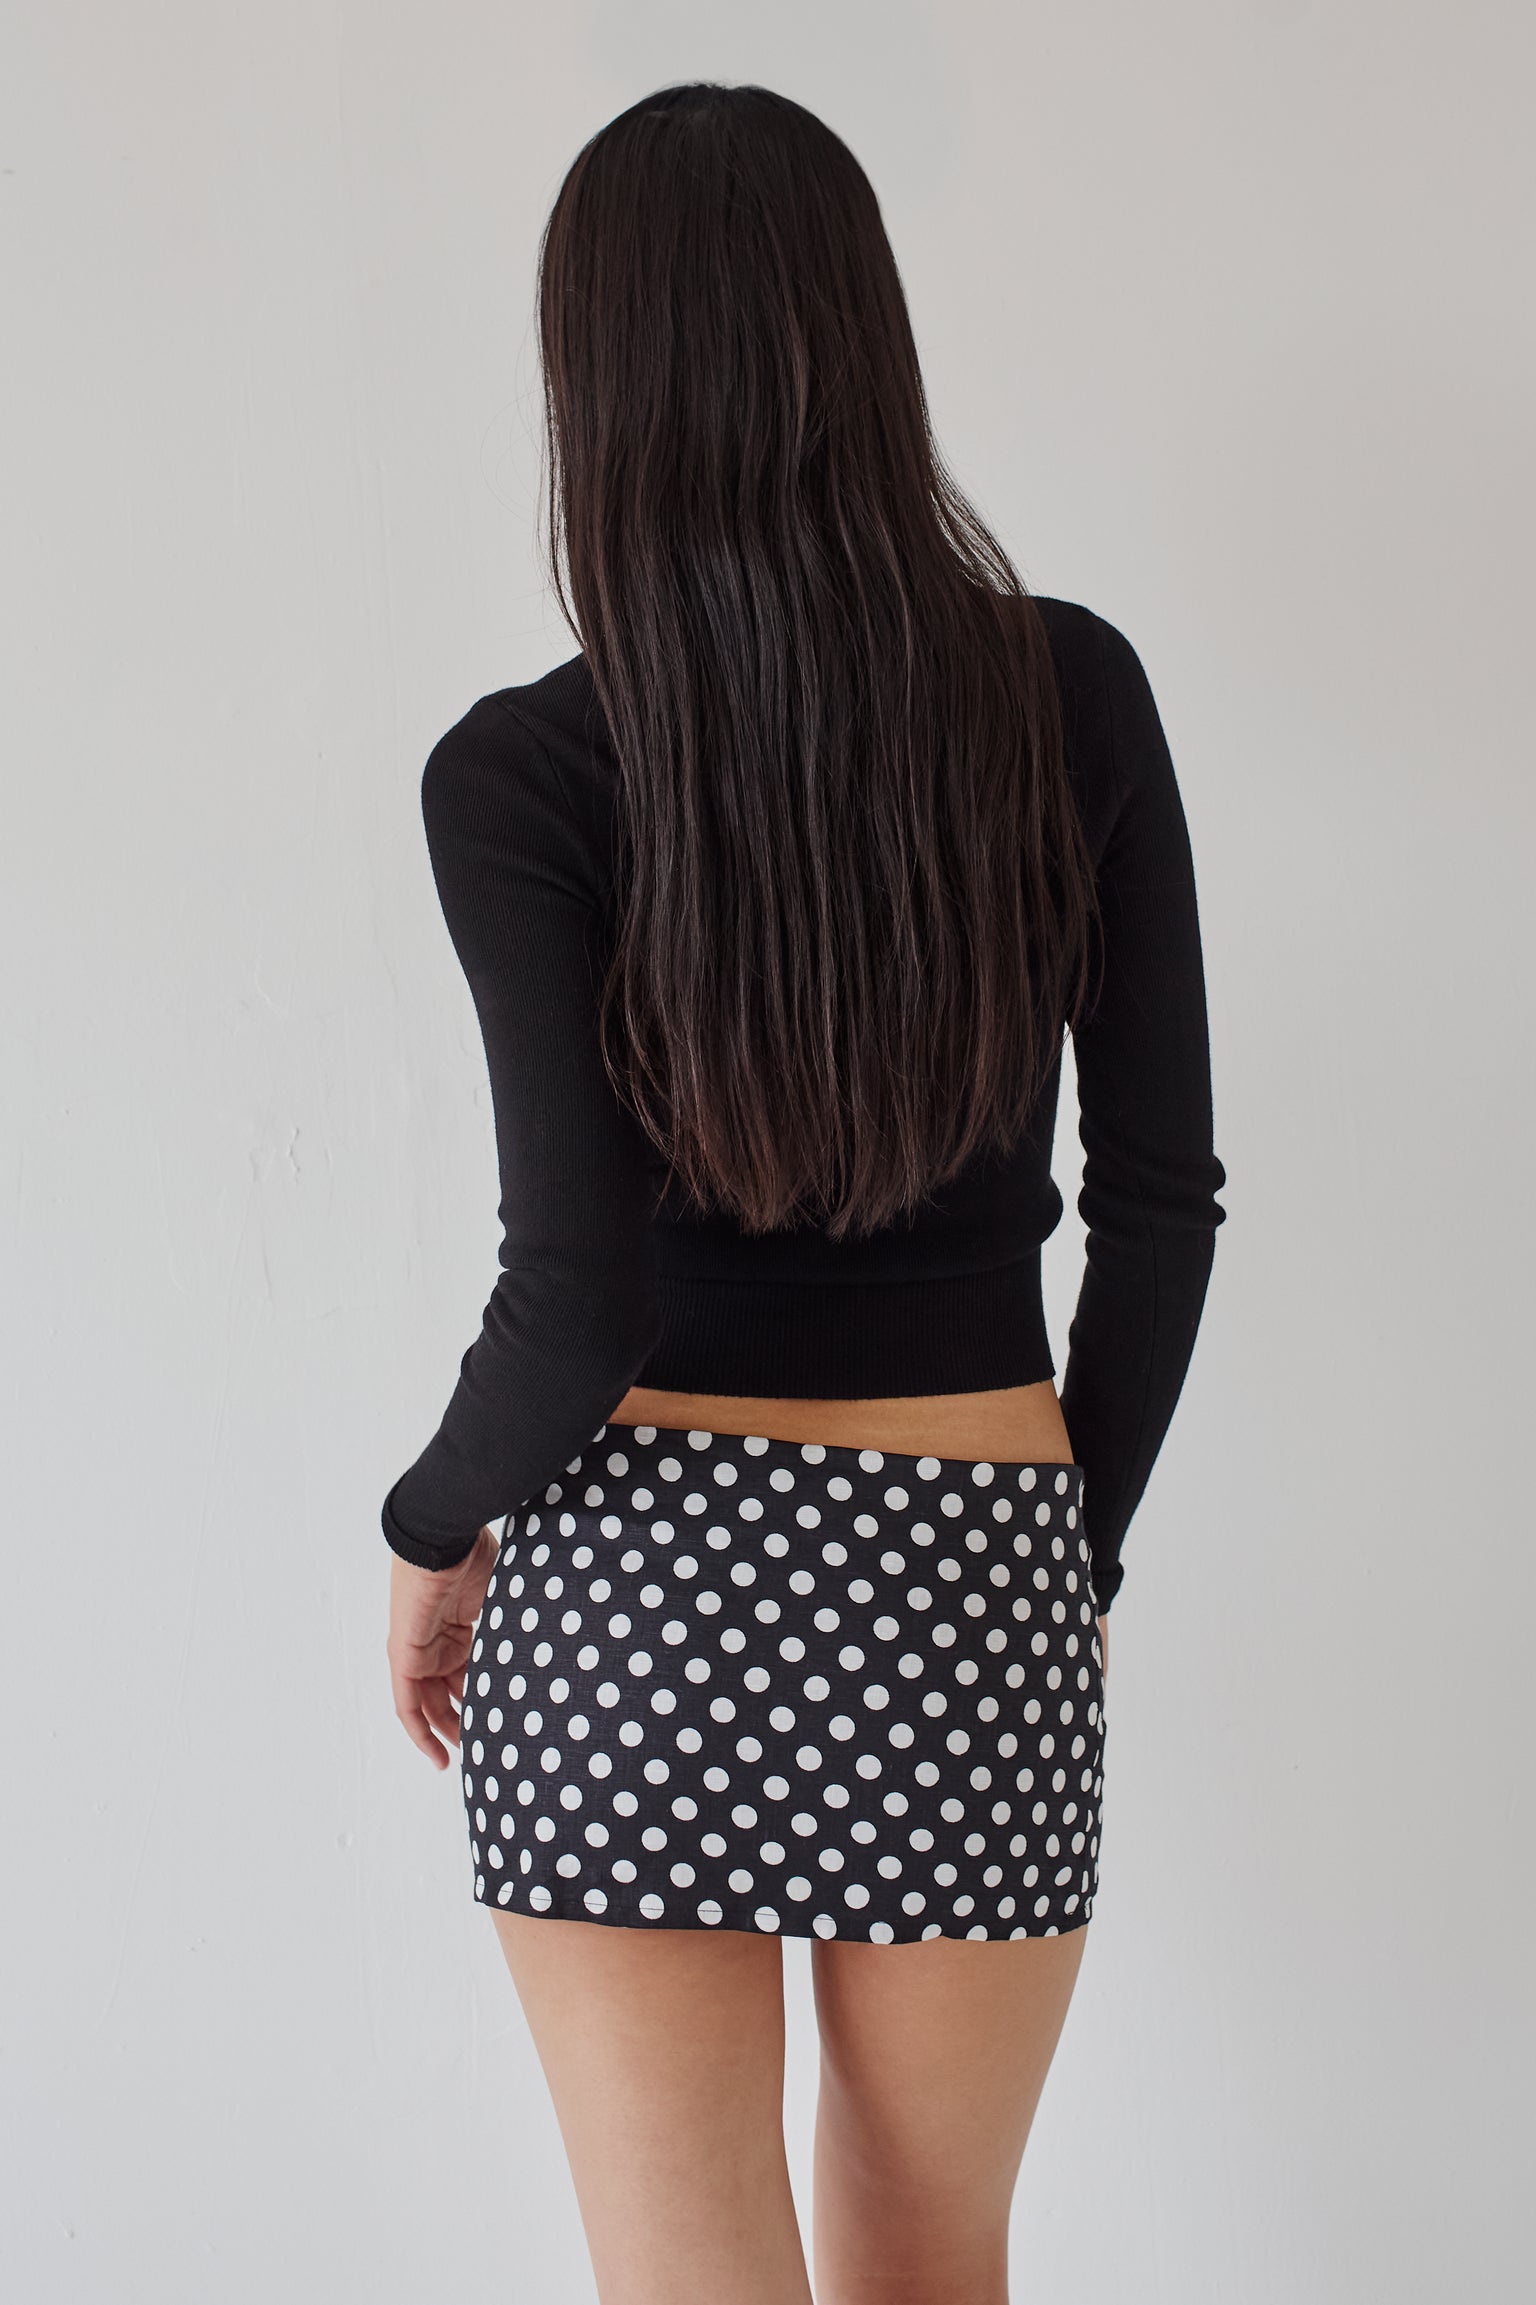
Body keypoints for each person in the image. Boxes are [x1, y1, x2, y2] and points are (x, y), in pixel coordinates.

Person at [380, 81, 1226, 2305]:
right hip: (971, 1577)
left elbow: (570, 1300)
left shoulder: (525, 771)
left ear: (597, 385)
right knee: (935, 2255)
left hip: (639, 1597)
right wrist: (1067, 1541)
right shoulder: (1075, 692)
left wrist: (427, 1526)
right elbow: (1157, 1211)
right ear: (870, 342)